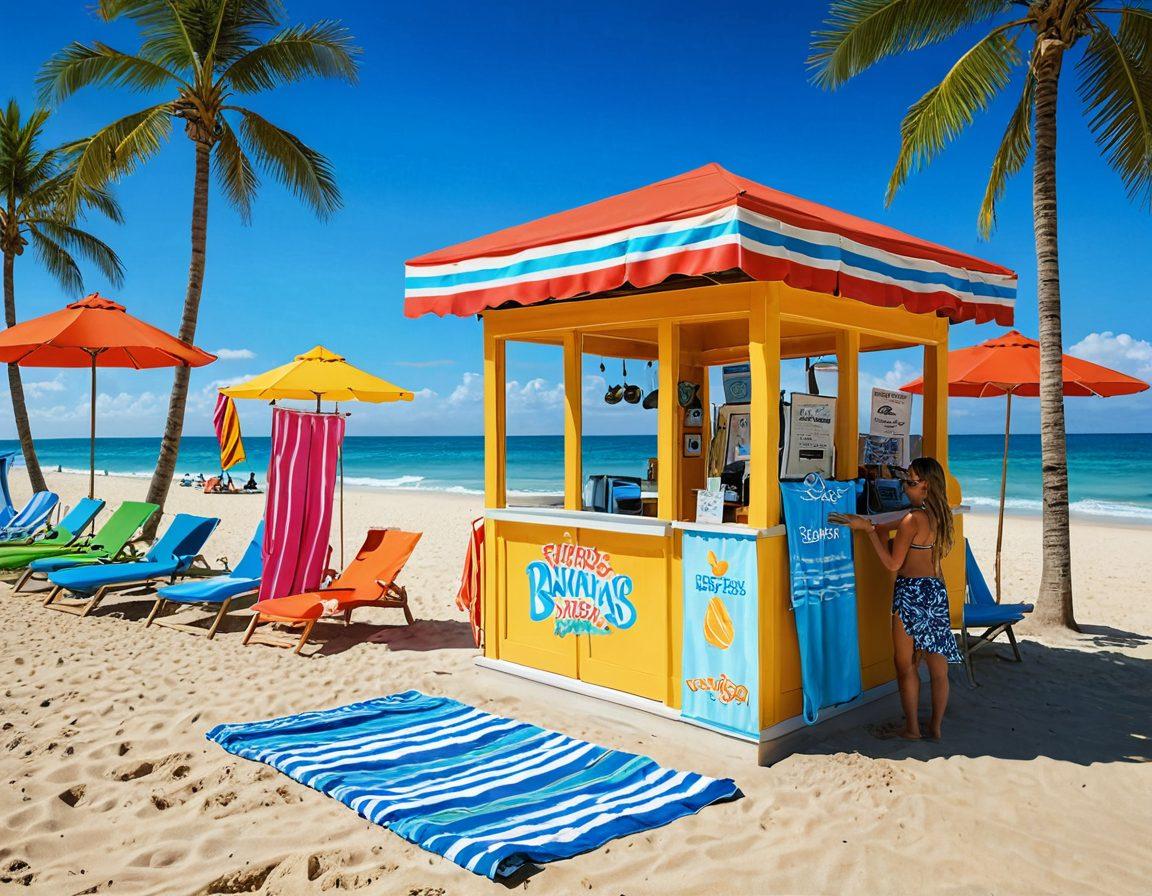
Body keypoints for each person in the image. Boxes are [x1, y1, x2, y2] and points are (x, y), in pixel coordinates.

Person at [829, 457, 961, 741]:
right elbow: (896, 521)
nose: (905, 487)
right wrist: (873, 523)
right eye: (905, 481)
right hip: (935, 592)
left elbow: (892, 563)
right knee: (939, 669)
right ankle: (935, 727)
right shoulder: (941, 515)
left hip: (910, 592)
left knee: (905, 665)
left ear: (926, 486)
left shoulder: (912, 521)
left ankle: (912, 727)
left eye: (911, 482)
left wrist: (868, 533)